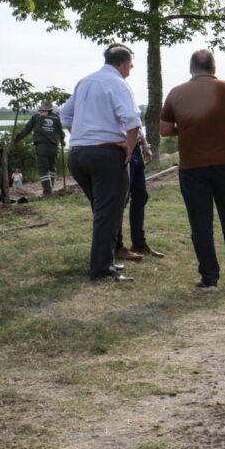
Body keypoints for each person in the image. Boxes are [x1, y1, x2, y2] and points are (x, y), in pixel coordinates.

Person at [160, 50, 225, 291]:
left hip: (192, 167)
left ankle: (209, 279)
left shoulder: (176, 93)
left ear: (191, 69)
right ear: (214, 68)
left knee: (201, 224)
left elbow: (164, 129)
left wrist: (190, 127)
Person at [60, 43, 142, 282]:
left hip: (78, 155)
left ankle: (107, 259)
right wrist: (129, 147)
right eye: (131, 65)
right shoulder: (118, 84)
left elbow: (65, 114)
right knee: (107, 213)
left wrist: (82, 135)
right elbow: (131, 120)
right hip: (106, 156)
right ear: (124, 63)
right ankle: (102, 269)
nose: (131, 69)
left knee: (102, 210)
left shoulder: (85, 82)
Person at [114, 131, 164, 261]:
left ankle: (139, 244)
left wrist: (146, 146)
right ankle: (117, 247)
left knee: (141, 196)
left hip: (135, 148)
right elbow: (67, 113)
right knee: (121, 199)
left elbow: (135, 125)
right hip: (121, 149)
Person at [14, 99, 65, 196]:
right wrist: (62, 142)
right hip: (54, 148)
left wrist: (15, 140)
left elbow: (26, 130)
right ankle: (50, 188)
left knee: (43, 170)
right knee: (52, 168)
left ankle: (47, 192)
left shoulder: (36, 117)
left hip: (42, 147)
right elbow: (61, 133)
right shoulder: (56, 118)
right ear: (51, 109)